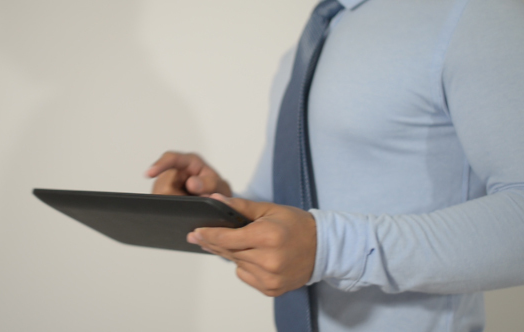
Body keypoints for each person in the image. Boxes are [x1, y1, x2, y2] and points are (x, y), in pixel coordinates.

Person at [145, 0, 524, 331]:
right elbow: (287, 214)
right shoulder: (302, 49)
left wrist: (329, 248)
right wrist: (217, 205)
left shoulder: (472, 14)